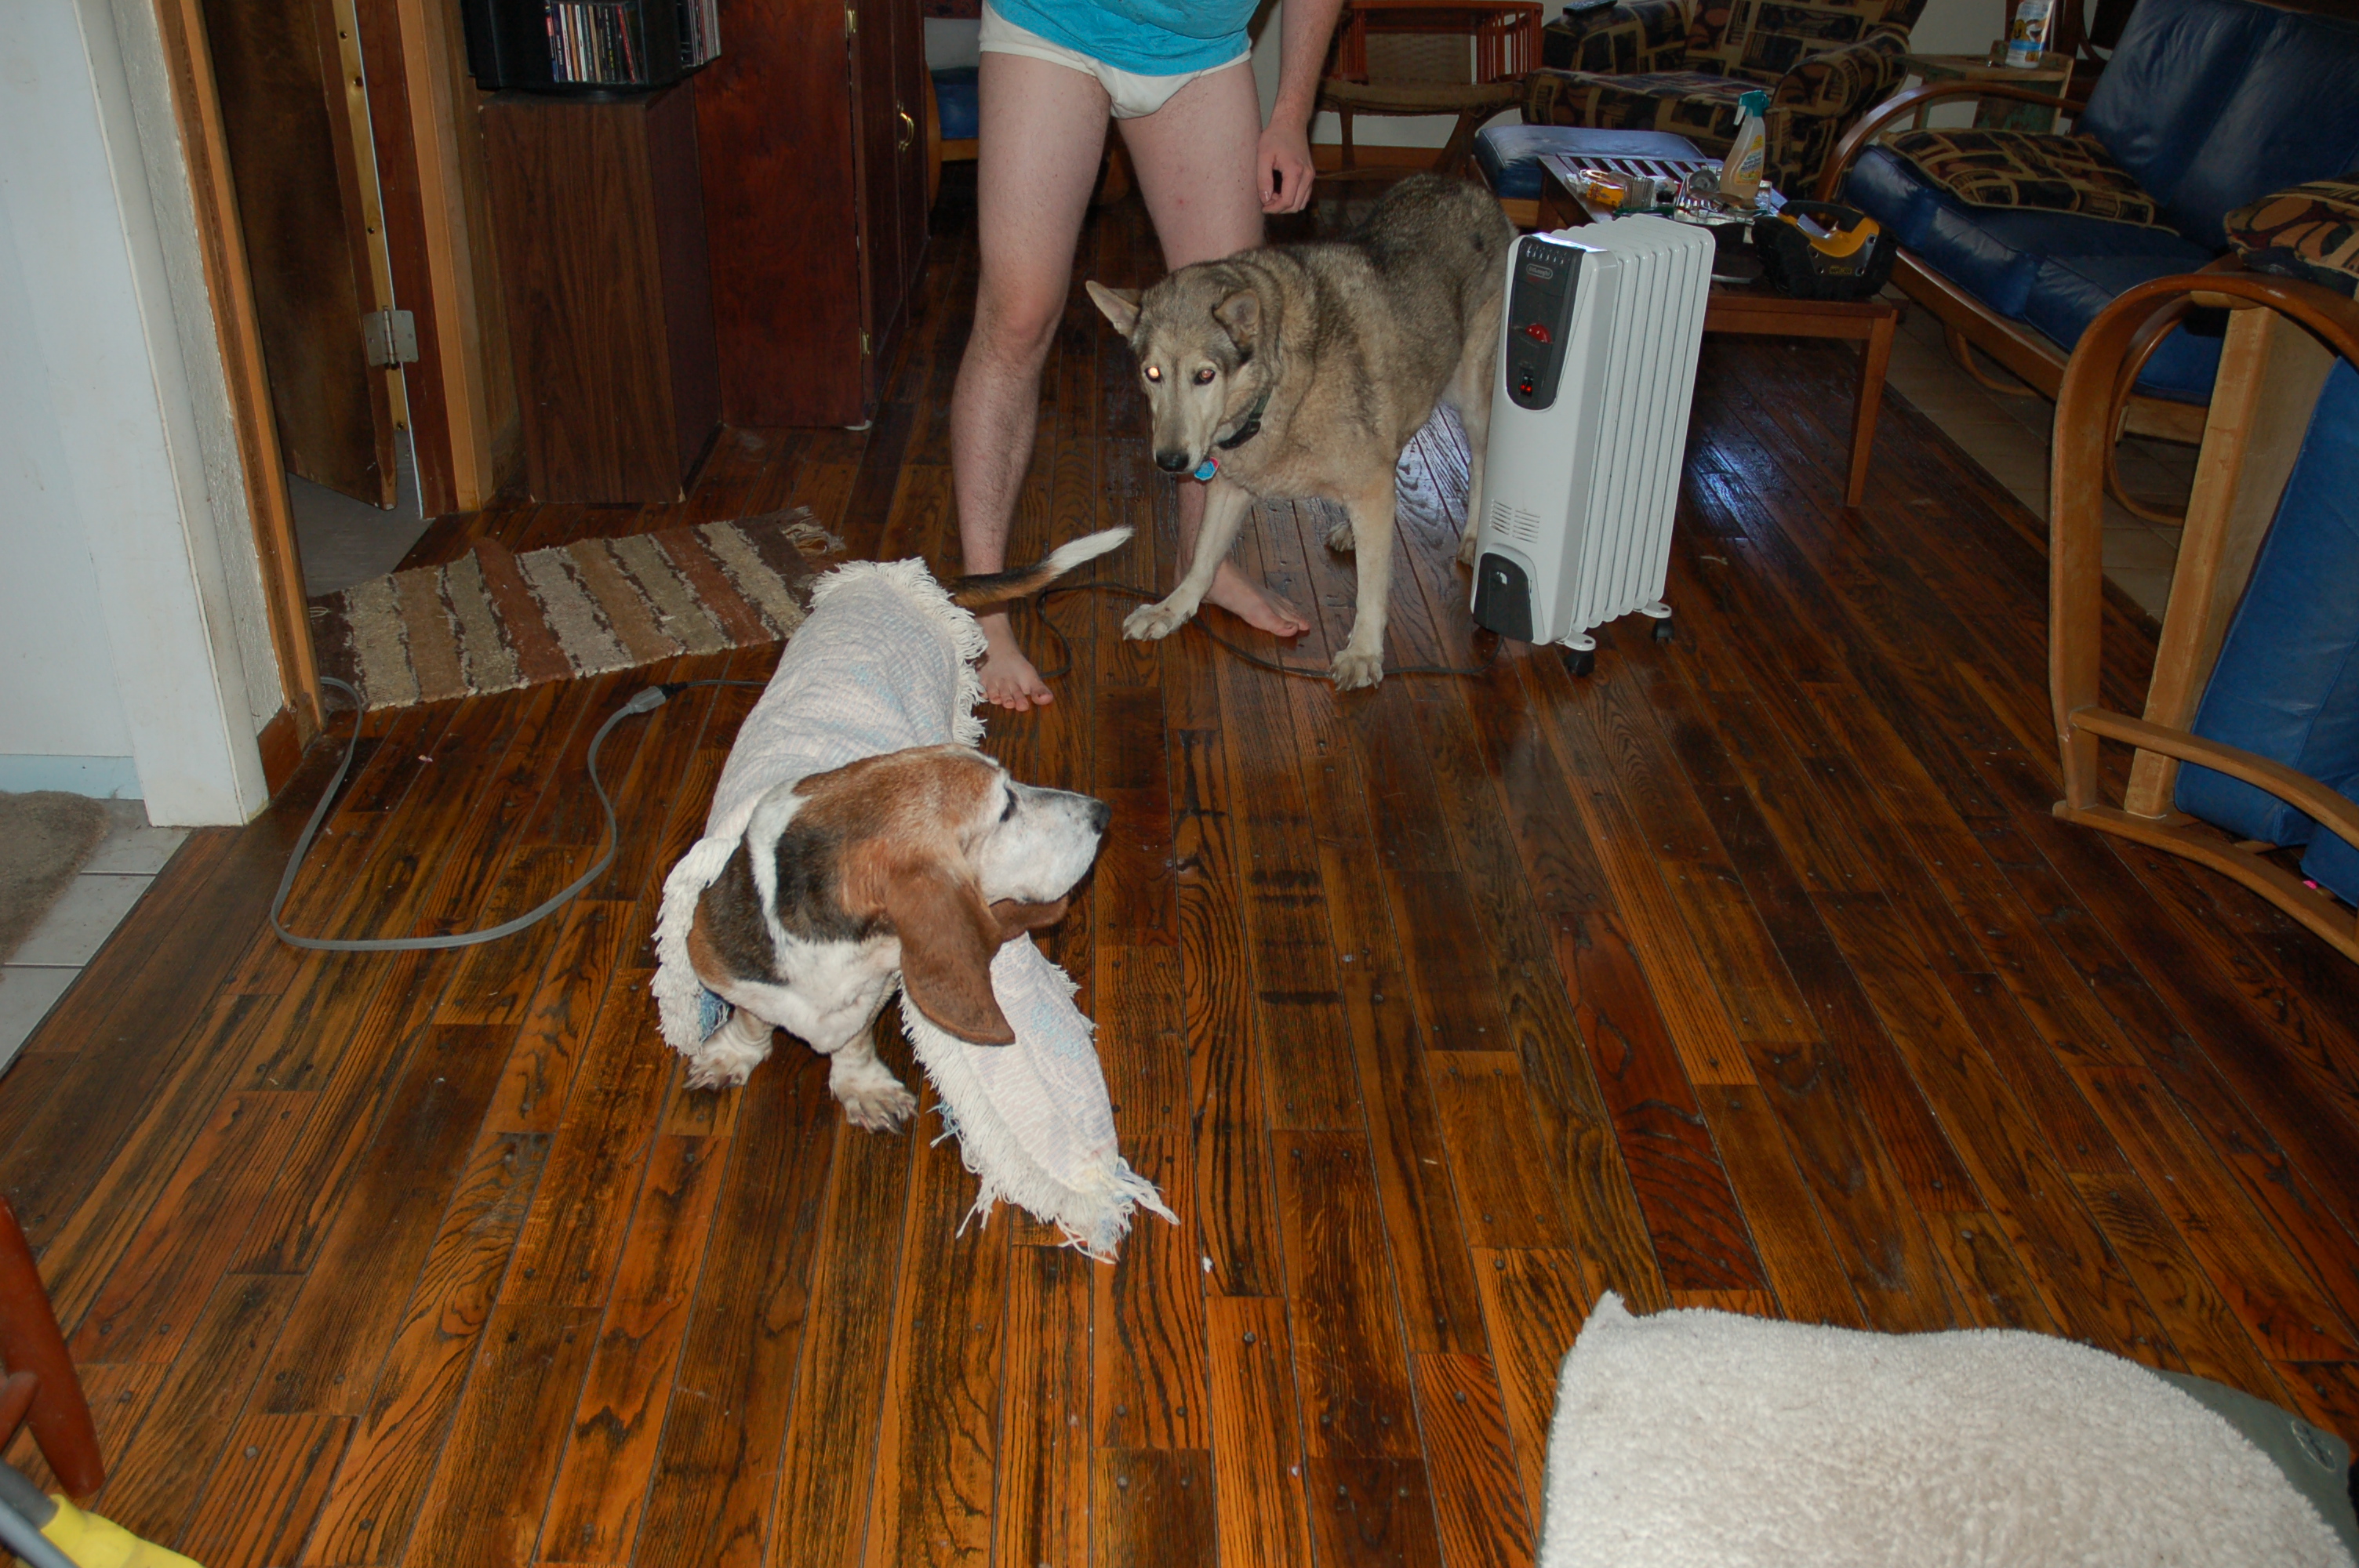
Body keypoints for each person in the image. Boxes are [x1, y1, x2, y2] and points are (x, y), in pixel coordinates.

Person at [951, 0, 1347, 710]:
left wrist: (1291, 112)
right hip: (1052, 23)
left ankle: (1204, 567)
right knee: (1016, 318)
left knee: (1224, 335)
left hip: (1202, 48)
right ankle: (987, 613)